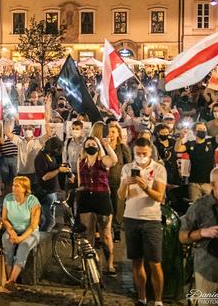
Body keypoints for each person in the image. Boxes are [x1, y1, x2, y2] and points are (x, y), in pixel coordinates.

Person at [118, 137, 167, 306]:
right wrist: (126, 184)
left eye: (144, 153)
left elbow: (159, 197)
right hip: (131, 218)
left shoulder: (159, 169)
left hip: (151, 220)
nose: (140, 157)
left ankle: (158, 300)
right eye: (137, 154)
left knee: (155, 262)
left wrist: (145, 186)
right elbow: (120, 195)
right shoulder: (127, 168)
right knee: (136, 261)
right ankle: (141, 298)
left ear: (150, 152)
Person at [77, 136, 118, 274]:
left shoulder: (102, 160)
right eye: (88, 144)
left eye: (93, 144)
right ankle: (89, 264)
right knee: (87, 233)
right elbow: (79, 180)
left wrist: (107, 146)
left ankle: (110, 263)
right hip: (86, 198)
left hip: (101, 197)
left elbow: (114, 160)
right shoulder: (81, 161)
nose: (90, 146)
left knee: (105, 234)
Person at [0, 176, 41, 292]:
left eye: (17, 186)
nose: (13, 188)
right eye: (13, 185)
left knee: (24, 246)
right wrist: (11, 231)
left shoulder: (32, 201)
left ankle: (12, 280)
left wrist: (21, 238)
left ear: (24, 189)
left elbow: (33, 225)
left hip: (30, 231)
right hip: (13, 229)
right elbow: (4, 219)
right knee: (7, 243)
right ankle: (8, 279)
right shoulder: (8, 199)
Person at [175, 121, 218, 202]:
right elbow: (177, 149)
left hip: (208, 182)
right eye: (200, 129)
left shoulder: (211, 142)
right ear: (195, 132)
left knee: (209, 207)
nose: (203, 131)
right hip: (194, 183)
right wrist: (180, 138)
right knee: (194, 207)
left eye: (204, 129)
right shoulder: (190, 144)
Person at [34, 136, 69, 232]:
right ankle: (39, 238)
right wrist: (59, 170)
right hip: (46, 192)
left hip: (51, 191)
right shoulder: (41, 157)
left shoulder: (50, 156)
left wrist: (59, 166)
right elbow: (44, 176)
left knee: (47, 219)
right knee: (50, 221)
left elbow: (51, 168)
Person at [107, 124, 131, 242]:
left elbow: (129, 164)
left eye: (113, 132)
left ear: (118, 134)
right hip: (104, 181)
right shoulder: (103, 147)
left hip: (117, 181)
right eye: (109, 132)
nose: (111, 134)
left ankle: (116, 230)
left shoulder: (122, 147)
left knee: (118, 207)